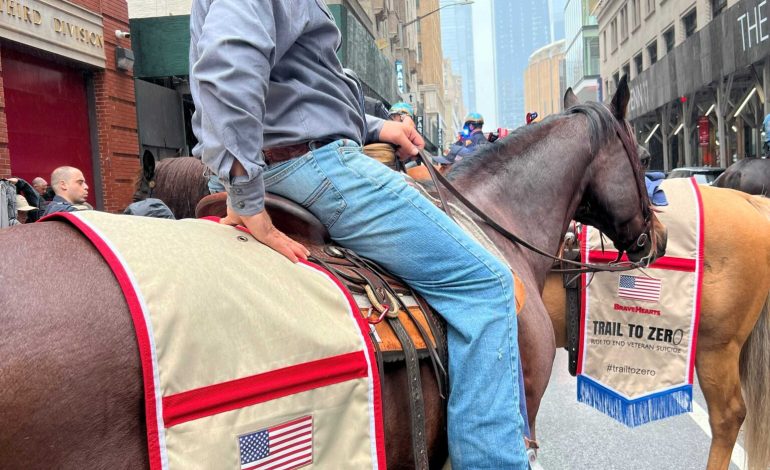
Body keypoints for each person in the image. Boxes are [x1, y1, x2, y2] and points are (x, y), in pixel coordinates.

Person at [189, 1, 527, 467]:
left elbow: (296, 92)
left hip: (265, 162)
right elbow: (228, 65)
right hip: (304, 167)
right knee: (487, 284)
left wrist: (379, 126)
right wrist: (247, 199)